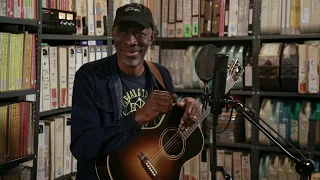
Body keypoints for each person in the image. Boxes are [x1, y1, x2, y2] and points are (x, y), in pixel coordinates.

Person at [70, 2, 201, 180]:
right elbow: (82, 147)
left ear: (152, 37)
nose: (130, 41)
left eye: (139, 33)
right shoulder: (90, 77)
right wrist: (137, 118)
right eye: (123, 32)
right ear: (113, 33)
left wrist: (186, 111)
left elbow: (169, 134)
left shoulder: (160, 74)